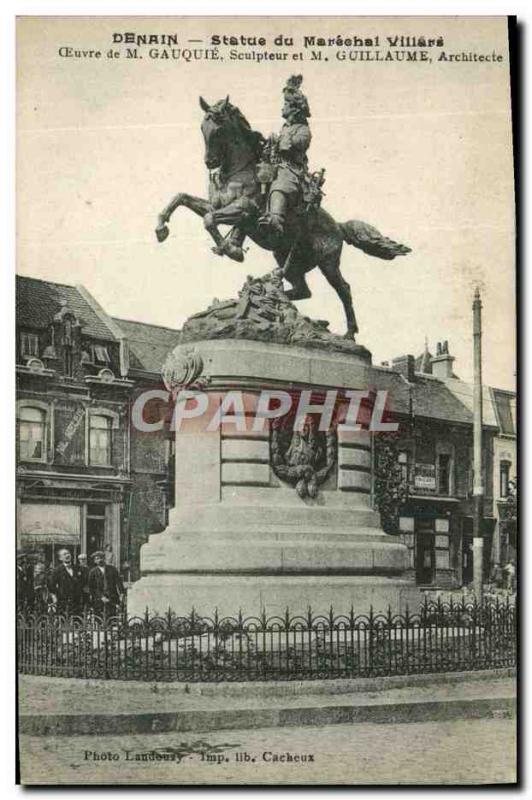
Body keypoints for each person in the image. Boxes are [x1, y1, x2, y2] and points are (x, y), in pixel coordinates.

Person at [258, 74, 312, 240]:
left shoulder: (303, 130)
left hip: (292, 171)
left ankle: (276, 220)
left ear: (294, 109)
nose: (282, 108)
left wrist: (278, 139)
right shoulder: (285, 128)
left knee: (280, 183)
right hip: (277, 166)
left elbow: (288, 147)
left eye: (286, 104)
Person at [88, 551, 124, 619]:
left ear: (104, 559)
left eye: (102, 558)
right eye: (97, 558)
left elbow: (119, 582)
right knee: (99, 619)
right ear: (95, 561)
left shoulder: (112, 569)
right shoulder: (92, 572)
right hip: (99, 600)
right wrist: (101, 597)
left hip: (112, 598)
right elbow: (92, 588)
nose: (100, 560)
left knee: (112, 618)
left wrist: (121, 593)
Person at [48, 548, 82, 615]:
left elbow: (82, 582)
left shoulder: (77, 568)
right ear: (60, 558)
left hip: (77, 601)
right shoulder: (57, 570)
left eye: (68, 553)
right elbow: (51, 586)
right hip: (63, 601)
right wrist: (57, 595)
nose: (67, 555)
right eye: (64, 554)